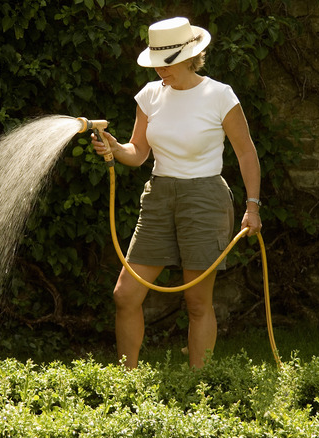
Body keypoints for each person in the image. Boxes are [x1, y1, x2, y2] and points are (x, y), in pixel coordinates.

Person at [92, 17, 262, 369]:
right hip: (158, 197)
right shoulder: (150, 96)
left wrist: (253, 206)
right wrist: (113, 147)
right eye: (157, 64)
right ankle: (126, 382)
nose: (160, 72)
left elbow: (246, 153)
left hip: (205, 198)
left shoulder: (219, 95)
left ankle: (197, 388)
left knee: (197, 302)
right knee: (125, 295)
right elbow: (137, 153)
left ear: (190, 57)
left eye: (166, 64)